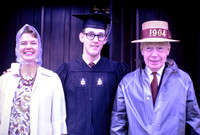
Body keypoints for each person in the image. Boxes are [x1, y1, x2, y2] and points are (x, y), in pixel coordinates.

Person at [110, 20, 200, 135]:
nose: (154, 55)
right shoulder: (127, 84)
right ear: (141, 49)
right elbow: (118, 126)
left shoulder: (183, 80)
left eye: (160, 48)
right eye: (149, 48)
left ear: (168, 49)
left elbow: (195, 123)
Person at [56, 12, 129, 135]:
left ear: (105, 40)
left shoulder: (117, 71)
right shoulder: (66, 71)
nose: (95, 40)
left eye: (100, 36)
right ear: (81, 37)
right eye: (90, 35)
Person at [0, 24, 67, 135]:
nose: (28, 47)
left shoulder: (52, 80)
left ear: (39, 47)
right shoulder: (4, 81)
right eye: (23, 43)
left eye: (33, 43)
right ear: (17, 48)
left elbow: (58, 123)